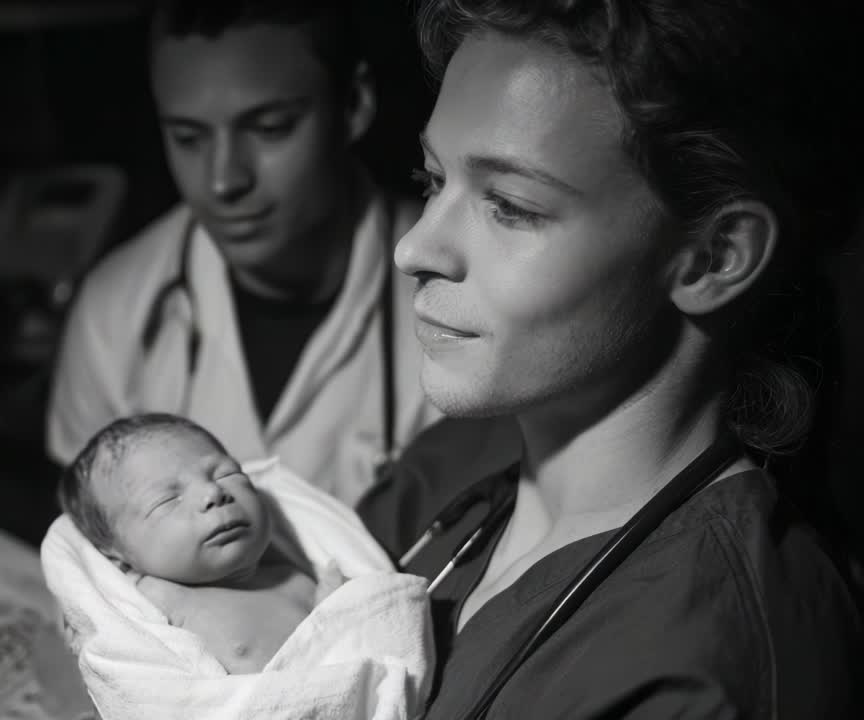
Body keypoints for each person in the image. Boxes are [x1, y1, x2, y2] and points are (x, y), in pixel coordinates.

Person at [354, 0, 864, 716]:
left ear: (712, 258)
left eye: (509, 205)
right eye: (433, 181)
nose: (415, 250)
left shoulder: (704, 662)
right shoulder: (453, 477)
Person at [45, 0, 518, 505]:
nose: (224, 180)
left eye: (269, 128)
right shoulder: (114, 310)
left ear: (354, 104)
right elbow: (88, 533)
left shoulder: (470, 305)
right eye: (189, 138)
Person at [56, 413, 327, 673]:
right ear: (117, 554)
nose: (213, 492)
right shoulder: (156, 598)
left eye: (226, 475)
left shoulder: (300, 574)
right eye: (166, 500)